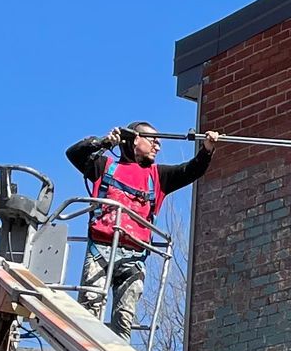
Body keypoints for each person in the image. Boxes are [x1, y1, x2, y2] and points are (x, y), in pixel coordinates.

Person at [65, 121, 216, 338]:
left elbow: (190, 171)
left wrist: (207, 150)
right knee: (90, 310)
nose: (158, 146)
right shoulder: (104, 167)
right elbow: (74, 153)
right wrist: (105, 142)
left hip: (133, 258)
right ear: (135, 139)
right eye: (153, 140)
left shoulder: (158, 177)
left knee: (124, 320)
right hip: (101, 251)